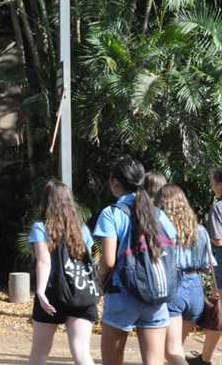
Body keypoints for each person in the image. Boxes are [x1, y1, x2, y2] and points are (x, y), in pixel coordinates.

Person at [94, 156, 178, 365]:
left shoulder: (111, 214)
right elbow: (172, 246)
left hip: (122, 296)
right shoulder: (158, 214)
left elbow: (109, 261)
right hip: (155, 296)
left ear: (115, 182)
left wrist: (98, 280)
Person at [28, 179, 96, 365]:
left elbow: (44, 260)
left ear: (46, 202)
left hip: (53, 293)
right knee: (81, 352)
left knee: (40, 352)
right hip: (80, 293)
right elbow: (88, 260)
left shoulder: (41, 228)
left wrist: (40, 292)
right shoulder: (82, 229)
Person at [155, 184, 212, 365]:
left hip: (175, 288)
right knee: (177, 348)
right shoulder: (200, 231)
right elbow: (207, 264)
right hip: (196, 289)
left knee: (172, 351)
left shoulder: (163, 229)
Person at [187, 167, 222, 365]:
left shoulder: (218, 208)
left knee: (219, 313)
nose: (211, 187)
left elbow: (217, 240)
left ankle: (206, 358)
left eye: (213, 183)